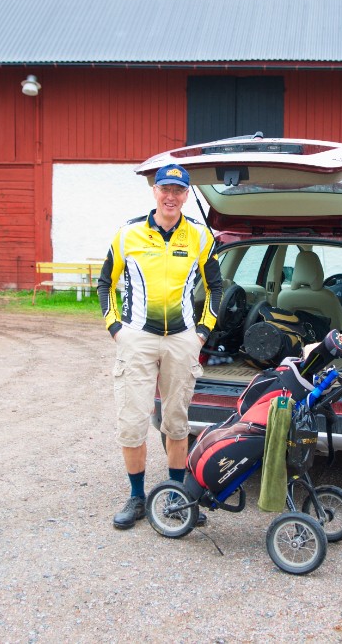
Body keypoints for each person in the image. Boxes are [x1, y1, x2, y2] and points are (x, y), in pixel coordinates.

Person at [97, 163, 223, 530]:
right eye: (165, 189)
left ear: (186, 195)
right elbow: (106, 283)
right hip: (136, 338)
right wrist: (116, 328)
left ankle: (174, 495)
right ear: (155, 191)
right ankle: (137, 498)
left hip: (182, 339)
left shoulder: (199, 237)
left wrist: (202, 332)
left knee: (177, 421)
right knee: (132, 421)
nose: (171, 196)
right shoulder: (128, 234)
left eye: (178, 191)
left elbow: (216, 287)